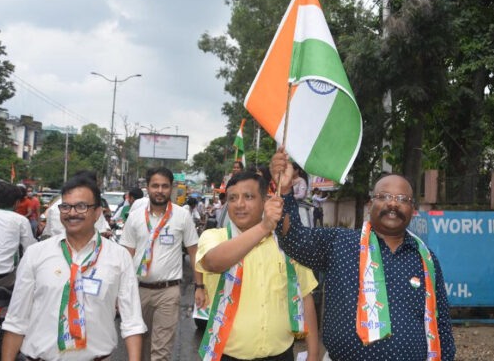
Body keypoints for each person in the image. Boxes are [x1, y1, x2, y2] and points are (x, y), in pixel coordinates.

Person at [270, 148, 456, 360]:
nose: (393, 203)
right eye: (384, 196)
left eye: (402, 198)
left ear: (413, 209)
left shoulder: (425, 259)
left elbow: (441, 326)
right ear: (370, 205)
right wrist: (284, 190)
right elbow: (294, 239)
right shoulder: (339, 243)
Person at [1, 174, 146, 360]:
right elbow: (16, 321)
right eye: (66, 207)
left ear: (97, 212)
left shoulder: (119, 257)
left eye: (81, 206)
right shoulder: (35, 254)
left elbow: (132, 322)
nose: (72, 213)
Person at [195, 171, 319, 361]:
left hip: (281, 355)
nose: (240, 204)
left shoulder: (286, 245)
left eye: (249, 197)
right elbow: (213, 262)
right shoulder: (214, 237)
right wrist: (264, 227)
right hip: (226, 356)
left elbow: (305, 297)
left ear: (265, 201)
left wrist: (313, 353)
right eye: (233, 198)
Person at [119, 167, 205, 361]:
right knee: (138, 348)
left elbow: (194, 252)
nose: (160, 190)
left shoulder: (182, 216)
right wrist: (119, 290)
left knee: (161, 351)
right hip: (137, 290)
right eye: (155, 185)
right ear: (147, 187)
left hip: (168, 291)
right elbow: (126, 256)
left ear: (171, 188)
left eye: (164, 186)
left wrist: (200, 286)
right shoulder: (135, 217)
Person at [41, 171, 111, 239]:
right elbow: (101, 234)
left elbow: (47, 233)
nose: (72, 213)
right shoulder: (92, 207)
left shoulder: (54, 206)